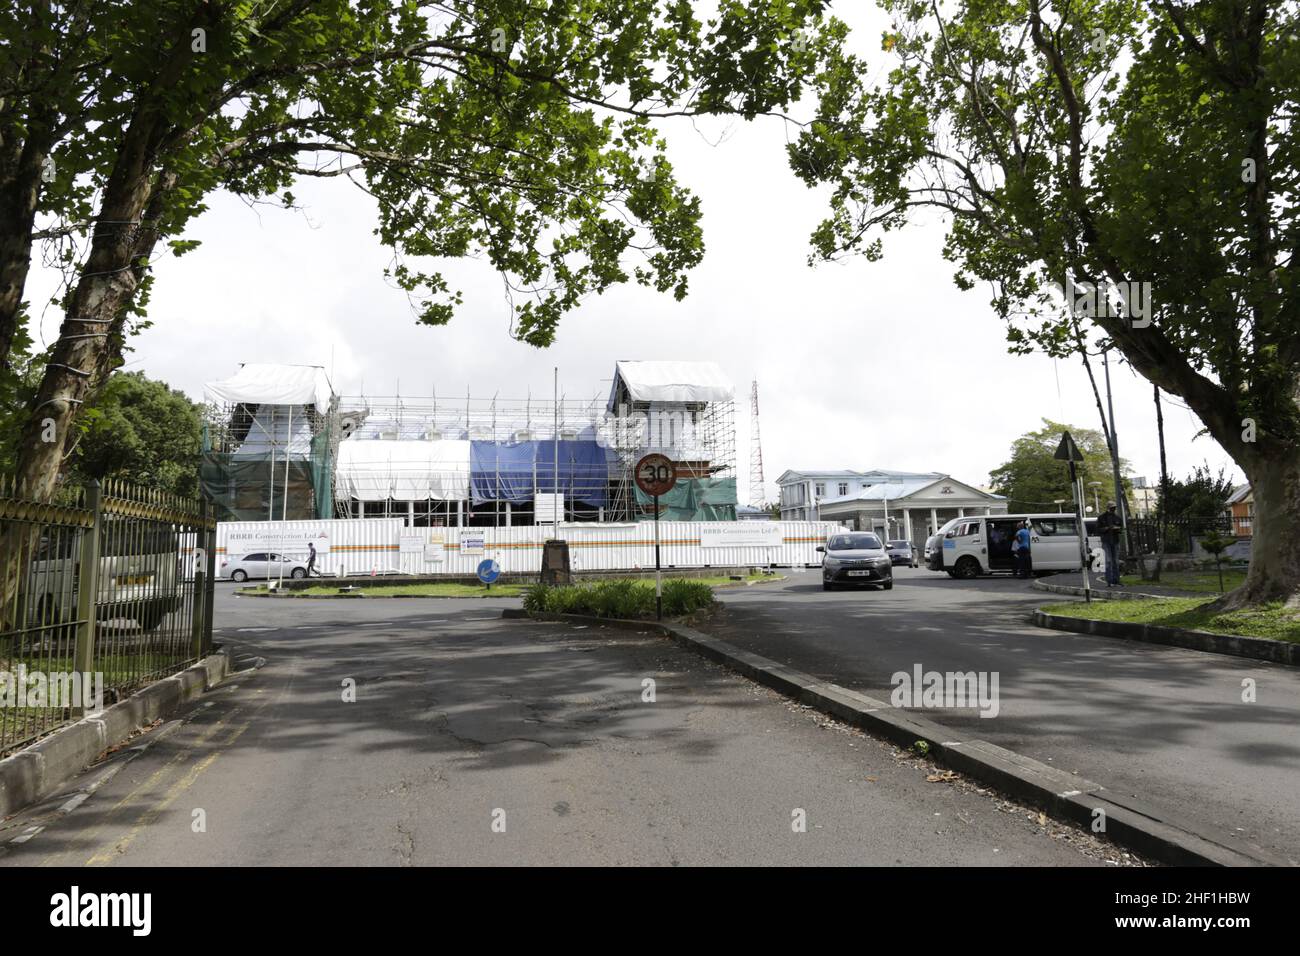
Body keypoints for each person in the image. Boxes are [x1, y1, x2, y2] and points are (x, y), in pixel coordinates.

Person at [1097, 501, 1123, 586]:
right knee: (1108, 561)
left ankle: (1116, 580)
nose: (1113, 509)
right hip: (1106, 541)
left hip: (1115, 541)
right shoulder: (1101, 518)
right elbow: (1097, 529)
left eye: (1114, 507)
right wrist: (1107, 528)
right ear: (1108, 508)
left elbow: (1121, 528)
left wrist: (1118, 529)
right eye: (1112, 507)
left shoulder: (1117, 517)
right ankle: (1109, 581)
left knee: (1115, 561)